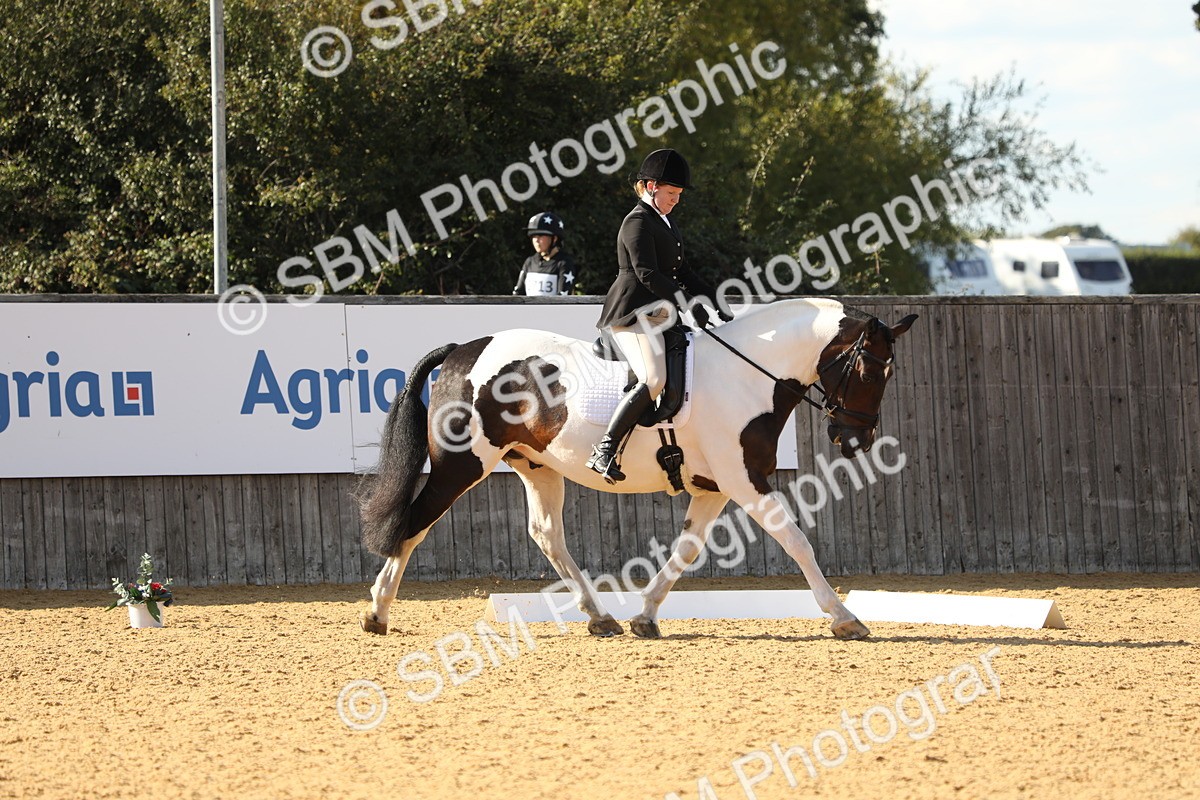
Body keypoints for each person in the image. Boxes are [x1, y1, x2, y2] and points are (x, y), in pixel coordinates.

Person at [585, 148, 731, 483]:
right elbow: (648, 273)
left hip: (659, 315)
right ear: (650, 186)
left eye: (679, 195)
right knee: (654, 379)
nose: (676, 200)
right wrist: (686, 303)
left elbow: (684, 271)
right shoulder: (636, 222)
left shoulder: (666, 222)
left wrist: (712, 299)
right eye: (671, 194)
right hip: (632, 314)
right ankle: (604, 450)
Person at [512, 212, 578, 296]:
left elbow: (562, 298)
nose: (536, 240)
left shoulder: (564, 264)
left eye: (540, 236)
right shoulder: (529, 262)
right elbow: (518, 294)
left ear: (554, 239)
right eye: (533, 236)